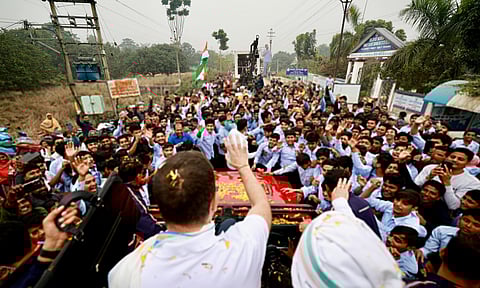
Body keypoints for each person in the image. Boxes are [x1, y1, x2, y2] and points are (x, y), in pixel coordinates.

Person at [109, 133, 272, 287]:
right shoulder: (243, 247)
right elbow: (261, 206)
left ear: (159, 206)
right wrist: (243, 165)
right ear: (213, 204)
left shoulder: (125, 270)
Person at [291, 178, 404, 287]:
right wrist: (340, 203)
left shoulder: (352, 211)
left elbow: (351, 234)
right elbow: (355, 232)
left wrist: (311, 227)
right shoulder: (353, 205)